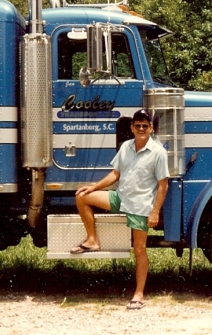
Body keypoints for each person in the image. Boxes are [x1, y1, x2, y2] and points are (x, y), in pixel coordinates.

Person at [70, 109, 169, 310]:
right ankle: (92, 240)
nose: (141, 129)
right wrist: (94, 187)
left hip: (140, 206)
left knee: (139, 249)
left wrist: (155, 212)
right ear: (132, 128)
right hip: (120, 198)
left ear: (151, 128)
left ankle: (139, 294)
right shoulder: (126, 147)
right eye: (137, 125)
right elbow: (115, 174)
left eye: (145, 126)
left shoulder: (158, 152)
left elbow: (163, 185)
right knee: (82, 197)